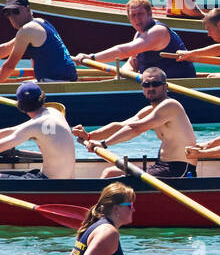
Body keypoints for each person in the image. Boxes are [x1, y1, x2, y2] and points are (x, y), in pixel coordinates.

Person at [71, 66, 199, 177]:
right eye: (146, 85)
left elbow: (137, 129)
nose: (150, 88)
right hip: (162, 166)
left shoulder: (170, 105)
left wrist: (103, 144)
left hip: (180, 170)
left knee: (110, 174)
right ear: (142, 88)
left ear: (165, 87)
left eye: (155, 84)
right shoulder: (150, 110)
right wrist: (89, 135)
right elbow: (121, 126)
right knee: (111, 173)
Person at [76, 0, 198, 80]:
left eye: (140, 14)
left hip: (176, 84)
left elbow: (123, 51)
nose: (137, 19)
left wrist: (91, 58)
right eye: (133, 15)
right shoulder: (139, 34)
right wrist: (118, 78)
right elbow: (132, 63)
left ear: (150, 14)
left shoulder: (158, 32)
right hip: (152, 86)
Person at [0, 82, 76, 179]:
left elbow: (4, 144)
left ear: (20, 106)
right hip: (63, 180)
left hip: (49, 184)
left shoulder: (36, 125)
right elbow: (14, 130)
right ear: (42, 98)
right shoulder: (54, 112)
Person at [67, 183, 134, 255]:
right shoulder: (108, 232)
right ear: (116, 208)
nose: (133, 209)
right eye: (130, 206)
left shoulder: (92, 226)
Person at [0, 0, 78, 82]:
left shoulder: (27, 30)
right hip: (65, 78)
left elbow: (9, 66)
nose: (12, 17)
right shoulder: (40, 21)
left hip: (57, 82)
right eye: (7, 13)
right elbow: (6, 48)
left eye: (15, 11)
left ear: (28, 9)